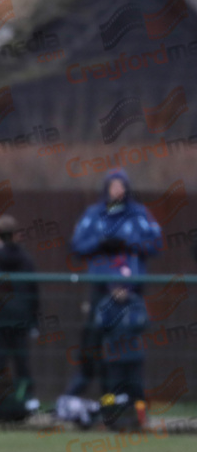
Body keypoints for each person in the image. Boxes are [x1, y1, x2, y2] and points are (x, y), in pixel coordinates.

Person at [66, 168, 162, 397]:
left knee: (128, 346)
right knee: (93, 341)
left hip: (132, 291)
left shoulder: (139, 214)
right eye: (113, 185)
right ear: (106, 188)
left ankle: (130, 400)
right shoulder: (93, 214)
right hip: (101, 288)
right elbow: (77, 246)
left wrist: (129, 242)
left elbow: (155, 244)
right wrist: (101, 242)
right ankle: (85, 395)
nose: (117, 190)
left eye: (121, 185)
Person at [0, 214, 40, 421]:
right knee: (22, 363)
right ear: (16, 235)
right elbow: (34, 293)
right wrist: (34, 321)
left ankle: (0, 406)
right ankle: (26, 402)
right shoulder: (27, 260)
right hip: (21, 320)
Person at [95, 261, 149, 429]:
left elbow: (141, 322)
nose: (121, 291)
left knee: (137, 390)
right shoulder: (106, 304)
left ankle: (141, 420)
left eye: (124, 287)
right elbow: (102, 324)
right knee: (112, 390)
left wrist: (125, 323)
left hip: (133, 355)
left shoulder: (136, 302)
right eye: (117, 287)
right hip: (113, 356)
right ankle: (110, 419)